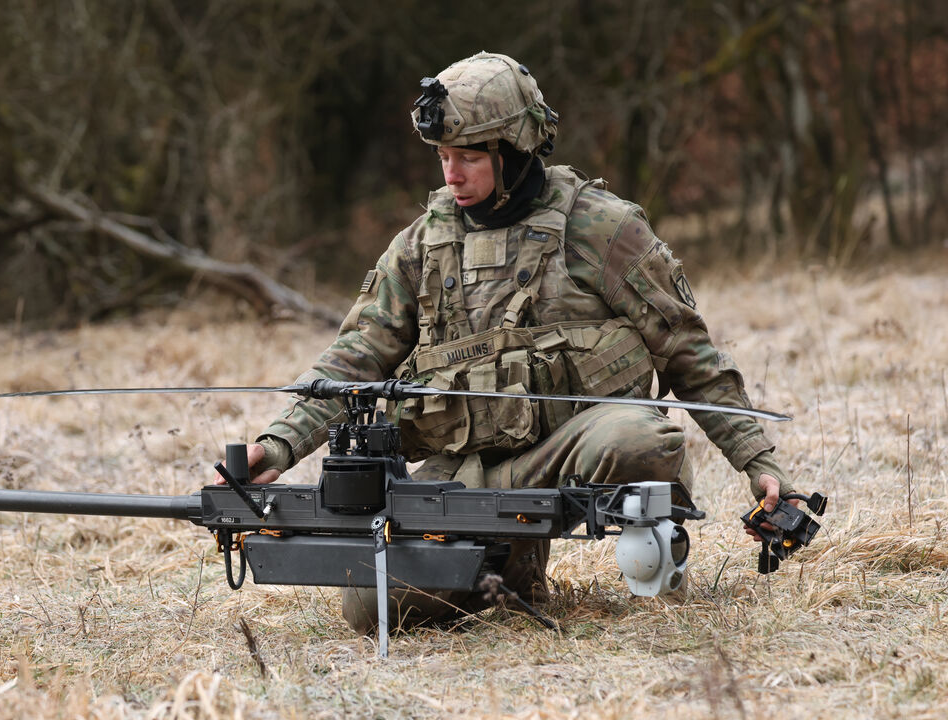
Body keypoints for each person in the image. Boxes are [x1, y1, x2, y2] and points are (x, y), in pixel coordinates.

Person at [236, 52, 795, 633]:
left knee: (638, 438)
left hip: (573, 449)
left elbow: (687, 350)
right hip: (469, 476)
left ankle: (654, 547)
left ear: (515, 151)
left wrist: (757, 464)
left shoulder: (601, 228)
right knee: (374, 607)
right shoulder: (422, 246)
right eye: (443, 157)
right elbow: (353, 358)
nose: (451, 175)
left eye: (470, 157)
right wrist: (277, 446)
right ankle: (506, 563)